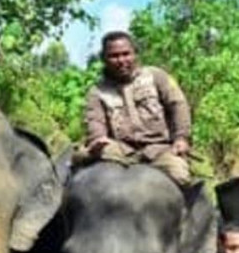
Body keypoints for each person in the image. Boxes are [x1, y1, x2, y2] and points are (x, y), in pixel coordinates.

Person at [80, 31, 193, 185]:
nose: (121, 60)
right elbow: (94, 120)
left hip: (159, 149)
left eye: (126, 54)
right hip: (119, 150)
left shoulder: (156, 76)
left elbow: (178, 105)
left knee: (180, 175)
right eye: (114, 56)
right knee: (84, 174)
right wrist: (98, 138)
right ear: (104, 59)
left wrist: (181, 138)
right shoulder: (97, 91)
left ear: (135, 54)